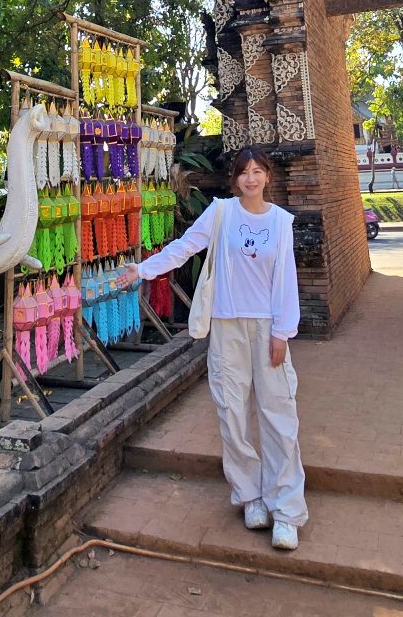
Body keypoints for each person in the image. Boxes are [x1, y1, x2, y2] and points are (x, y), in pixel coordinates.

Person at [117, 146, 307, 550]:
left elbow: (286, 279)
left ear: (267, 177)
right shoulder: (221, 213)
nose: (251, 178)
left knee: (279, 415)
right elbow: (184, 247)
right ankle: (250, 496)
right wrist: (142, 269)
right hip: (226, 326)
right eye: (244, 172)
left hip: (267, 328)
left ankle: (287, 510)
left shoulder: (280, 222)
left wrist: (283, 333)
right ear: (235, 178)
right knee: (232, 412)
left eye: (258, 171)